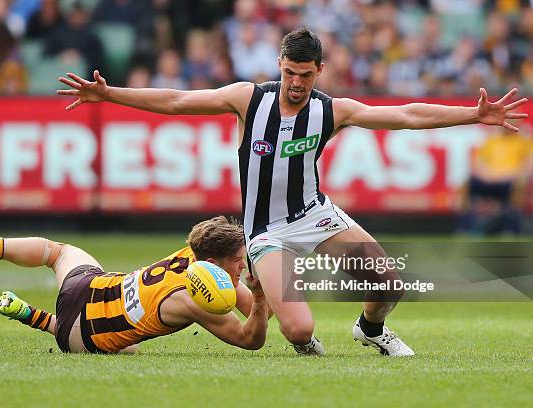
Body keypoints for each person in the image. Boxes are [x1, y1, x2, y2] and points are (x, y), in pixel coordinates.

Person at [56, 27, 529, 356]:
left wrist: (473, 114)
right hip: (265, 232)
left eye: (306, 75)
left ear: (319, 70)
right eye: (290, 73)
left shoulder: (333, 110)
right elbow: (178, 102)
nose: (297, 84)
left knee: (389, 282)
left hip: (314, 214)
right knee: (300, 330)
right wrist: (111, 93)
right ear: (279, 65)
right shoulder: (248, 98)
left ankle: (371, 329)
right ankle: (301, 338)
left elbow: (406, 116)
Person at [0, 217, 268, 354]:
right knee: (124, 349)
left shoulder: (195, 256)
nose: (243, 265)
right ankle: (35, 317)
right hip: (79, 334)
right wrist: (260, 293)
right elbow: (250, 339)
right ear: (216, 261)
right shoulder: (198, 297)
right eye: (239, 259)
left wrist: (255, 298)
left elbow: (254, 313)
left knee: (55, 251)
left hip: (84, 286)